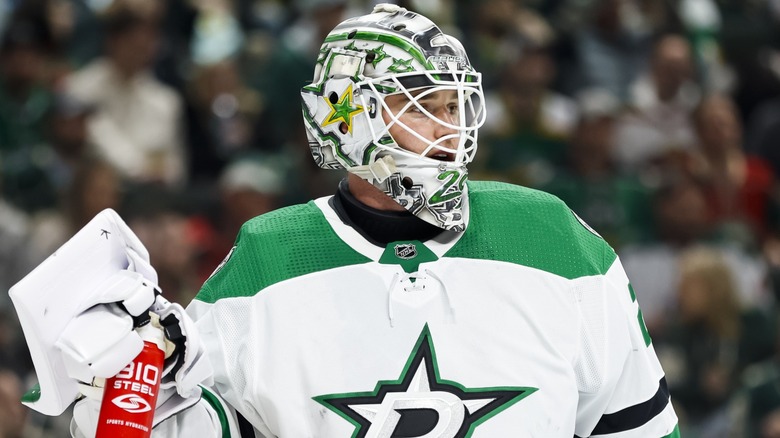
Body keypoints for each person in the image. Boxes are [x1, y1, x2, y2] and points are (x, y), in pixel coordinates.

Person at [16, 4, 679, 437]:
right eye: (419, 106)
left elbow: (639, 426)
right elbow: (162, 429)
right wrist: (120, 386)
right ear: (350, 120)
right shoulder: (267, 259)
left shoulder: (553, 238)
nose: (449, 129)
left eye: (455, 104)